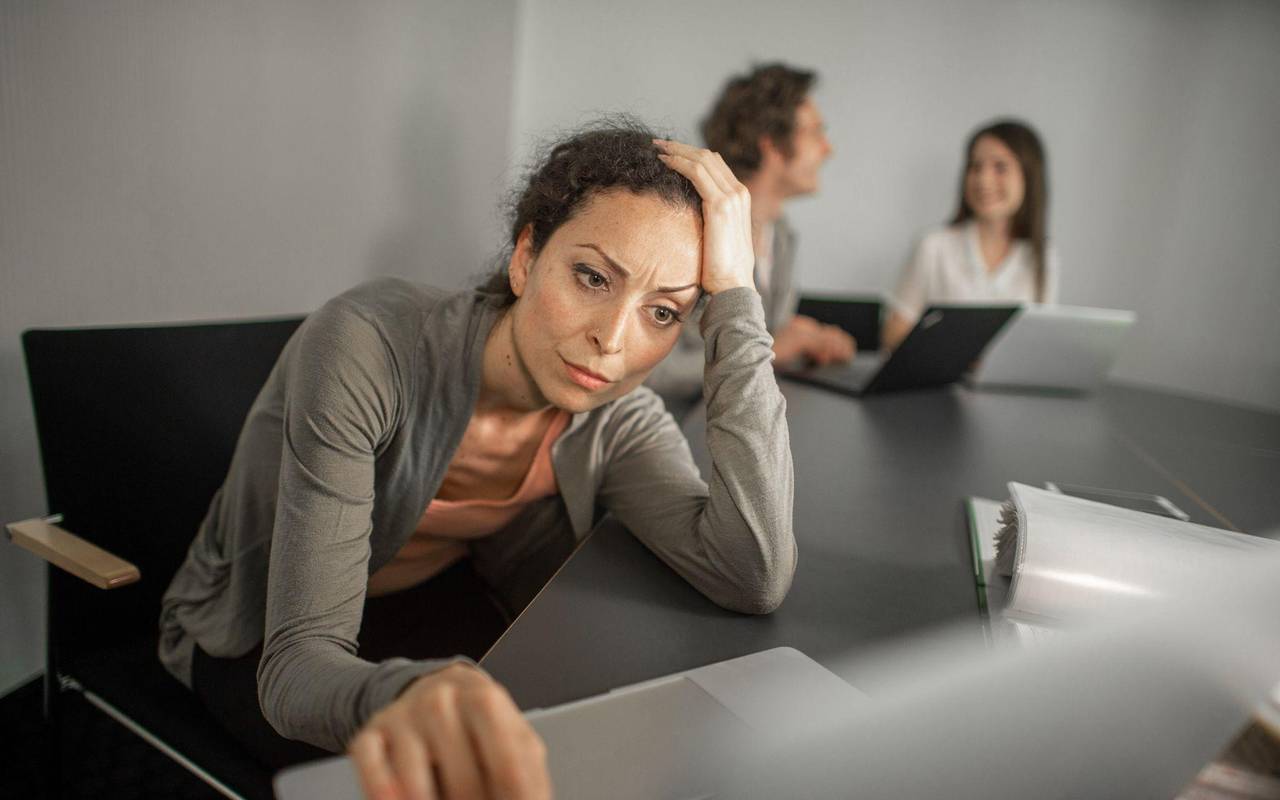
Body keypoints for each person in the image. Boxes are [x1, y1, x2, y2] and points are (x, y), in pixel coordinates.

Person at [158, 121, 797, 799]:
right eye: (591, 277)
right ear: (526, 258)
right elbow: (292, 673)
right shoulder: (368, 347)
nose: (611, 340)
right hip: (260, 638)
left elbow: (751, 569)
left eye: (663, 313)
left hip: (429, 606)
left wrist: (736, 297)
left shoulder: (618, 419)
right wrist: (426, 690)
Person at [645, 63, 855, 413]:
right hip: (676, 432)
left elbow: (762, 333)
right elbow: (649, 368)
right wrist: (771, 348)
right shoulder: (688, 232)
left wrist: (811, 338)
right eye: (817, 132)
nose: (827, 149)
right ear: (772, 144)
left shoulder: (783, 236)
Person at [882, 119, 1059, 351]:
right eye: (975, 167)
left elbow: (1039, 343)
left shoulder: (1043, 256)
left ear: (1029, 176)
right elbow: (893, 334)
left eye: (1000, 167)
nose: (983, 180)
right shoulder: (933, 246)